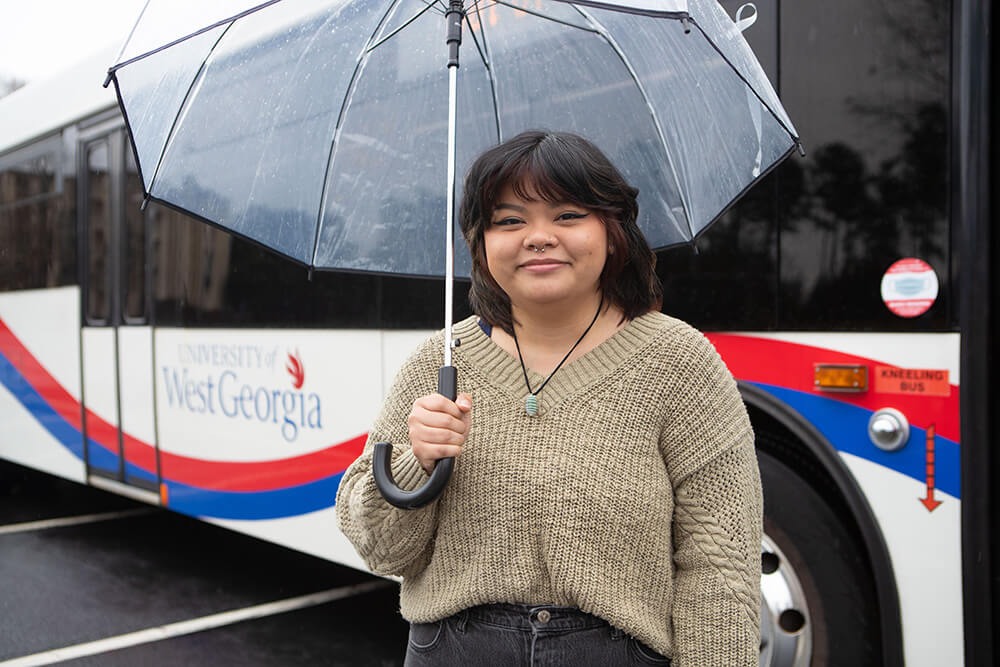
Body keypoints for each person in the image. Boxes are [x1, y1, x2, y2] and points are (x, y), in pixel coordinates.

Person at [336, 130, 762, 667]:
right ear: (481, 242)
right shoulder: (437, 363)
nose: (537, 237)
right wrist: (416, 463)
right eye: (509, 220)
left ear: (613, 232)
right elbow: (380, 549)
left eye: (567, 216)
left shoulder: (679, 362)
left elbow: (719, 563)